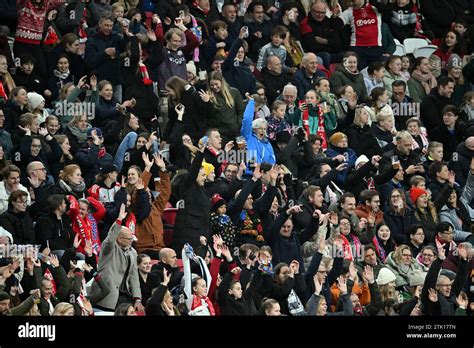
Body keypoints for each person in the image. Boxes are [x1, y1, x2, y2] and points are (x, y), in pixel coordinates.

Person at [90, 204, 143, 312]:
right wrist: (119, 220)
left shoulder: (132, 252)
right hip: (105, 294)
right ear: (119, 239)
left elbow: (134, 276)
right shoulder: (109, 248)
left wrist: (137, 298)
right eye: (128, 239)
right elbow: (110, 239)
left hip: (124, 295)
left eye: (131, 238)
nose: (131, 241)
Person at [241, 98, 276, 165]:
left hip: (263, 173)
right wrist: (251, 103)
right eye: (260, 128)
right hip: (248, 173)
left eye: (264, 129)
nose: (262, 131)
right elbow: (247, 120)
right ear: (254, 129)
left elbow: (272, 160)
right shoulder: (247, 137)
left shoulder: (267, 144)